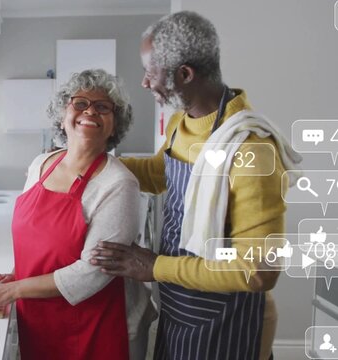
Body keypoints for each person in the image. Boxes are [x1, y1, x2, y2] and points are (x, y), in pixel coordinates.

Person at [90, 11, 300, 360]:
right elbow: (160, 174)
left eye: (150, 72)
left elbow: (258, 270)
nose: (144, 83)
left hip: (229, 320)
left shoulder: (251, 149)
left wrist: (155, 267)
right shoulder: (182, 122)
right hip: (181, 305)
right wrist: (88, 160)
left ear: (184, 75)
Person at [0, 69, 155, 360]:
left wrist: (15, 289)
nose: (90, 111)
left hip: (95, 325)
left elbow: (91, 274)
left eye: (103, 107)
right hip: (40, 316)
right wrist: (17, 276)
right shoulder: (41, 164)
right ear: (62, 115)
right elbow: (39, 243)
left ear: (114, 125)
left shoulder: (118, 184)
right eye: (79, 103)